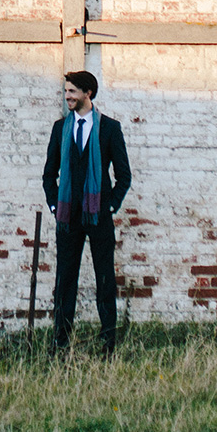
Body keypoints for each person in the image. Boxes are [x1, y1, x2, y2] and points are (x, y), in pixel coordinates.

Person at [42, 68, 132, 355]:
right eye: (66, 91)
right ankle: (61, 341)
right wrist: (56, 206)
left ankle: (108, 342)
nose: (67, 96)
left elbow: (124, 176)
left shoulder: (109, 129)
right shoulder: (60, 129)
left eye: (71, 91)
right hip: (68, 218)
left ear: (87, 93)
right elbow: (48, 176)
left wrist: (110, 205)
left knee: (104, 279)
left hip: (99, 217)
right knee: (65, 280)